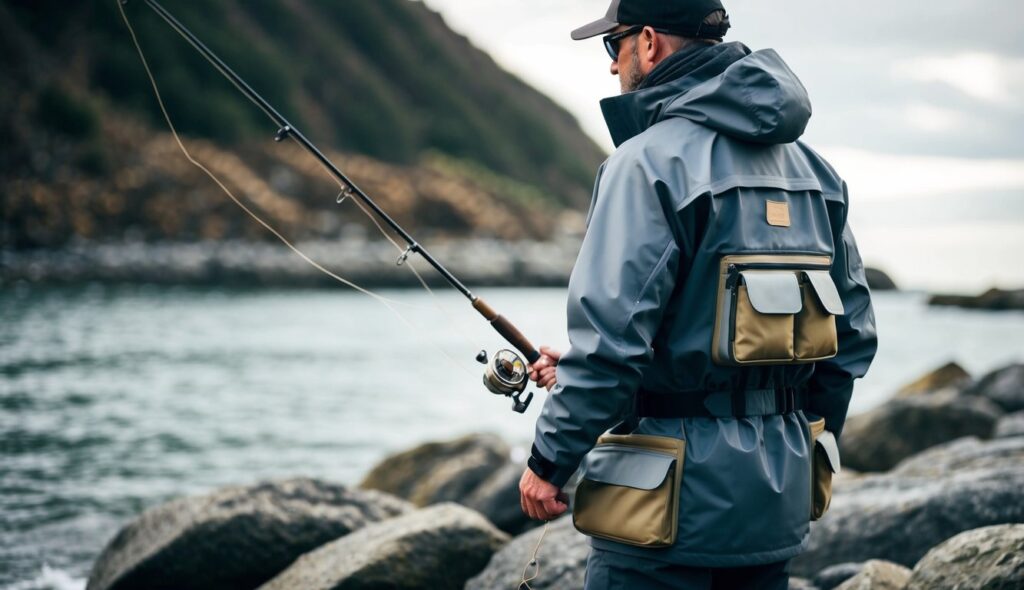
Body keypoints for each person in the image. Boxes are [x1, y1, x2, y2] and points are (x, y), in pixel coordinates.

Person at [518, 0, 878, 588]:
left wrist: (547, 463)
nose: (613, 66)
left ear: (650, 43)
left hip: (660, 522)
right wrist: (794, 442)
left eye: (616, 45)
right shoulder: (818, 175)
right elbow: (852, 341)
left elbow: (611, 348)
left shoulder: (644, 165)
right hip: (774, 510)